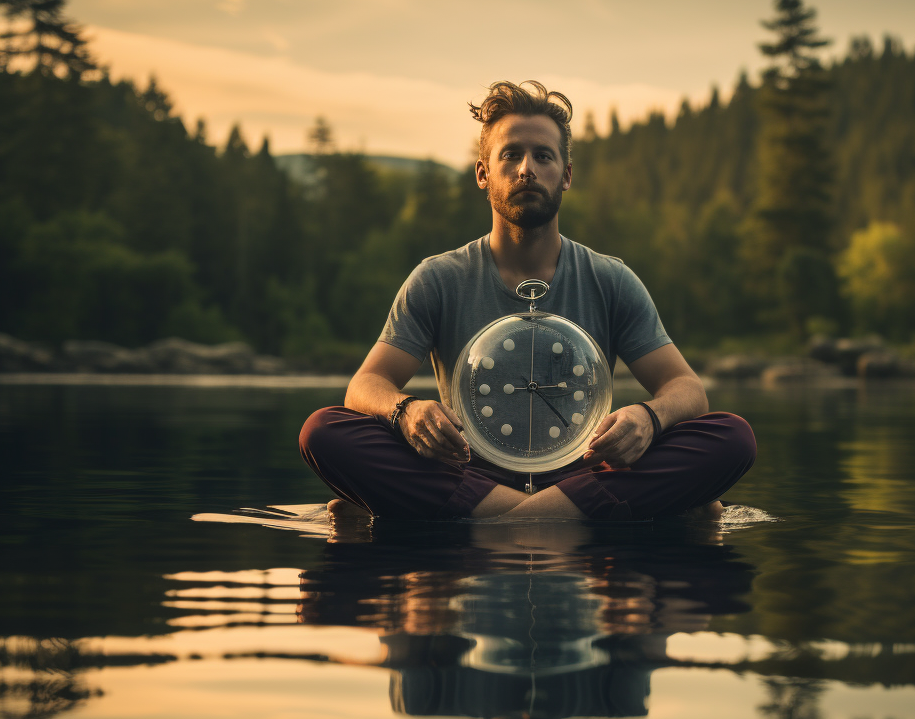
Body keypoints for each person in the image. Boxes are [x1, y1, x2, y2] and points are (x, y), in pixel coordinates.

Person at [299, 80, 755, 521]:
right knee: (324, 431)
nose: (526, 169)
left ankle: (489, 516)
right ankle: (568, 516)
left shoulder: (610, 279)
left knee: (731, 438)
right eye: (511, 155)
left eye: (543, 156)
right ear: (484, 173)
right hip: (470, 469)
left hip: (581, 470)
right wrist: (406, 411)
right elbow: (365, 386)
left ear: (567, 174)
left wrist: (649, 419)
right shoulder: (438, 278)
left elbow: (688, 390)